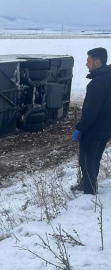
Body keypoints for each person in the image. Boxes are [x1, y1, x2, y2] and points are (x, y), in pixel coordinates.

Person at [72, 47, 111, 195]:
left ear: (97, 62)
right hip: (107, 129)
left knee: (87, 161)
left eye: (88, 61)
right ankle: (90, 185)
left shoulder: (97, 83)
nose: (86, 64)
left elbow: (91, 110)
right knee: (95, 159)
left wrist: (80, 128)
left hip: (94, 129)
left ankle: (89, 193)